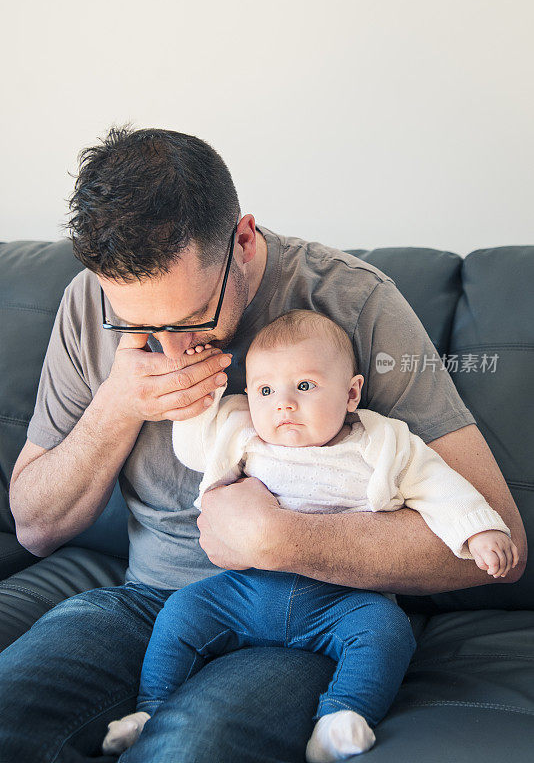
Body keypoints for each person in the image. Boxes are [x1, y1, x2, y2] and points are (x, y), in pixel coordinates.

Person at [3, 127, 526, 763]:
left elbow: (498, 542)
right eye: (137, 326)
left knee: (190, 748)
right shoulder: (88, 302)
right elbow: (33, 526)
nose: (167, 349)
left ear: (244, 241)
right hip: (149, 600)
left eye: (189, 319)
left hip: (307, 621)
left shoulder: (354, 301)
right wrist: (118, 404)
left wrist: (282, 540)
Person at [102, 310, 517, 761]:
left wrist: (478, 530)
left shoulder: (381, 444)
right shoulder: (244, 433)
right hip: (247, 591)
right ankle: (149, 710)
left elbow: (437, 485)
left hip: (341, 598)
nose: (283, 404)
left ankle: (343, 716)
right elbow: (192, 445)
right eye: (265, 390)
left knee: (387, 630)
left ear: (351, 393)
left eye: (304, 386)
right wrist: (209, 393)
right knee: (182, 612)